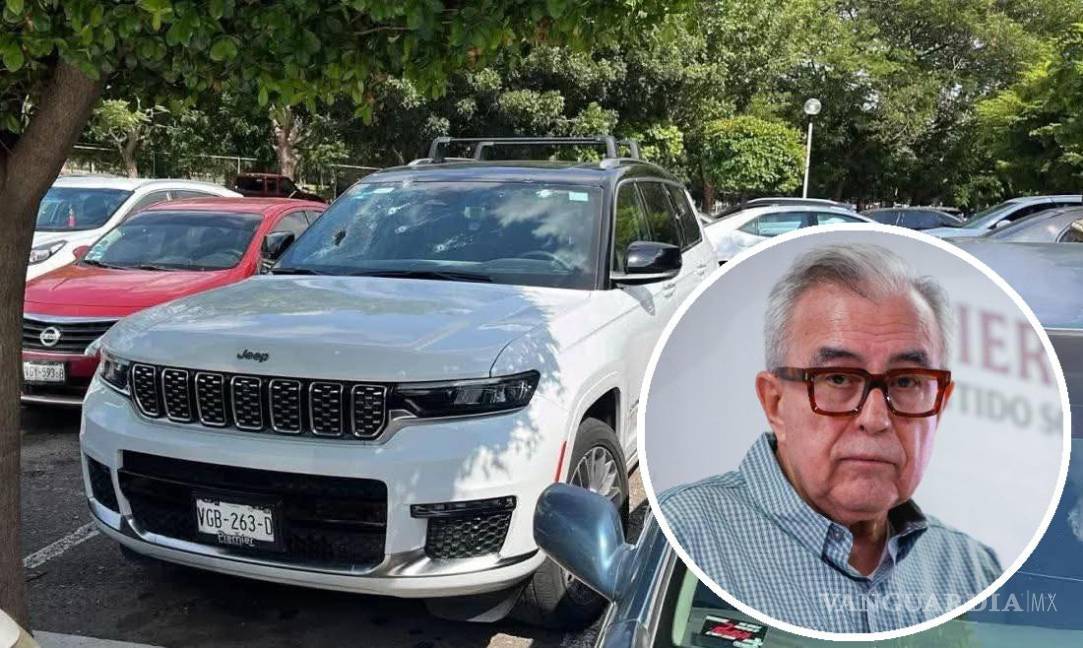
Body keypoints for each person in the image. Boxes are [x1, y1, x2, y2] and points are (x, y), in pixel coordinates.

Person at [658, 244, 1001, 633]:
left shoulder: (972, 569)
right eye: (838, 378)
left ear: (940, 405)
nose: (876, 419)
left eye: (906, 381)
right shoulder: (683, 536)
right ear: (775, 403)